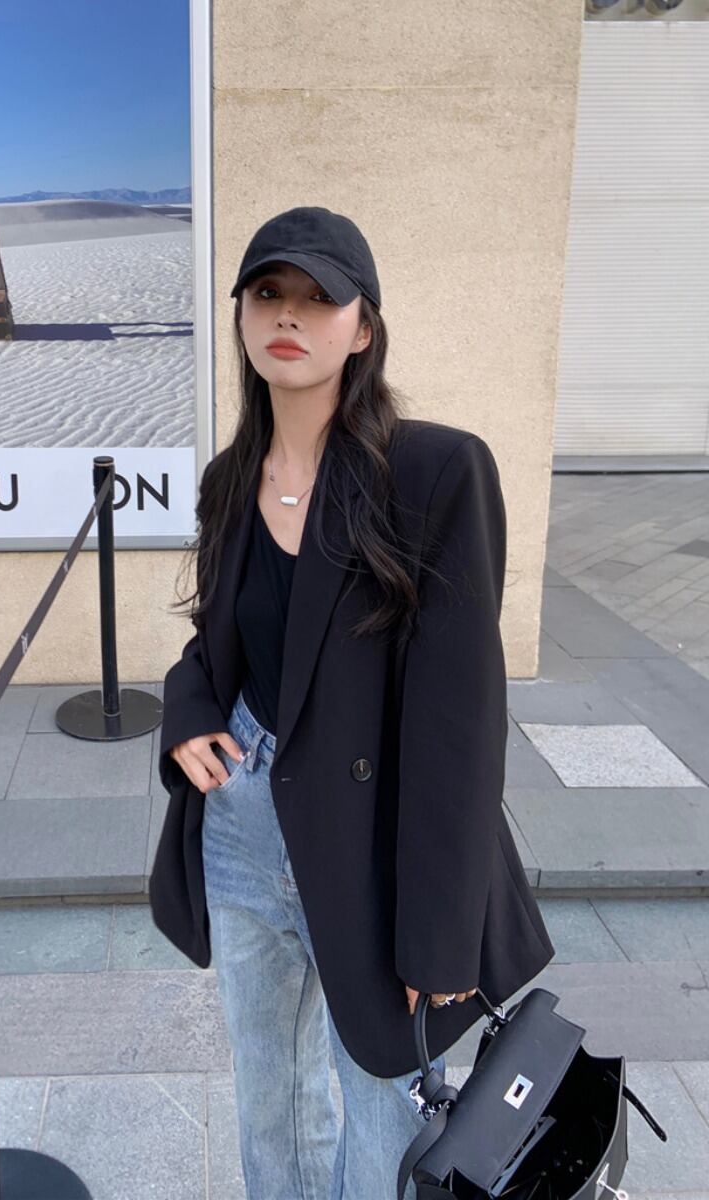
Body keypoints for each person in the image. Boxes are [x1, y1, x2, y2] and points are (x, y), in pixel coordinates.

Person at [150, 206, 555, 1199]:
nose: (288, 314)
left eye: (318, 297)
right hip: (242, 828)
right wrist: (188, 712)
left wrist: (440, 933)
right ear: (242, 318)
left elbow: (460, 725)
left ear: (362, 327)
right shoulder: (229, 481)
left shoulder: (433, 472)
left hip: (372, 848)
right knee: (270, 1102)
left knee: (383, 1122)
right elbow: (218, 642)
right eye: (267, 293)